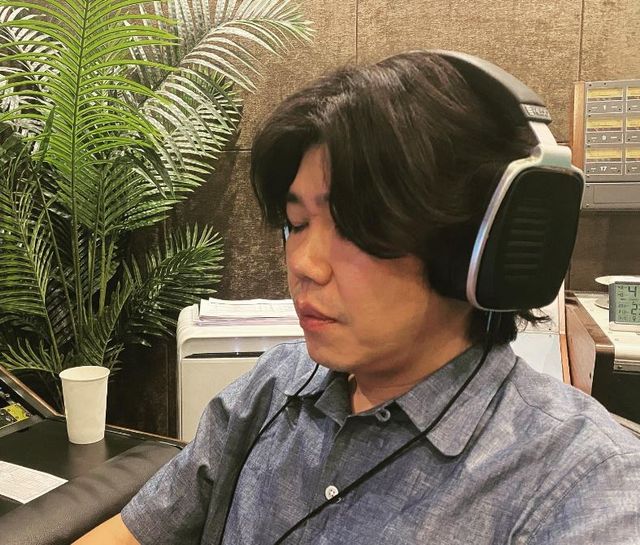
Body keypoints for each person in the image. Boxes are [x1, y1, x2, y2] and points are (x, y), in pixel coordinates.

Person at [75, 51, 640, 545]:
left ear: (476, 246)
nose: (302, 264)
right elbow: (134, 532)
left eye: (351, 226)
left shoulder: (583, 483)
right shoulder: (272, 387)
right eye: (296, 224)